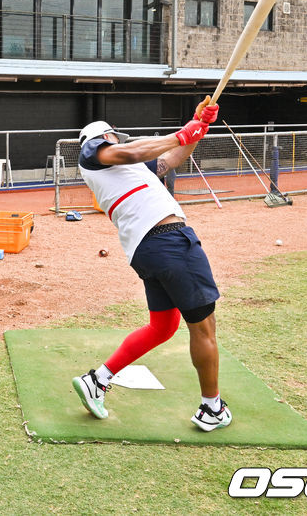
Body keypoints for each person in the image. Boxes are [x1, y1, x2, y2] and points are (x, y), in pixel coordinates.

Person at [71, 97, 232, 432]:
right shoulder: (94, 152)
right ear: (105, 138)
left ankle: (97, 380)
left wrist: (198, 125)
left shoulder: (125, 169)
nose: (120, 140)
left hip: (150, 249)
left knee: (163, 327)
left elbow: (169, 159)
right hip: (169, 240)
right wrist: (182, 133)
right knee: (203, 327)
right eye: (116, 136)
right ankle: (211, 407)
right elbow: (134, 151)